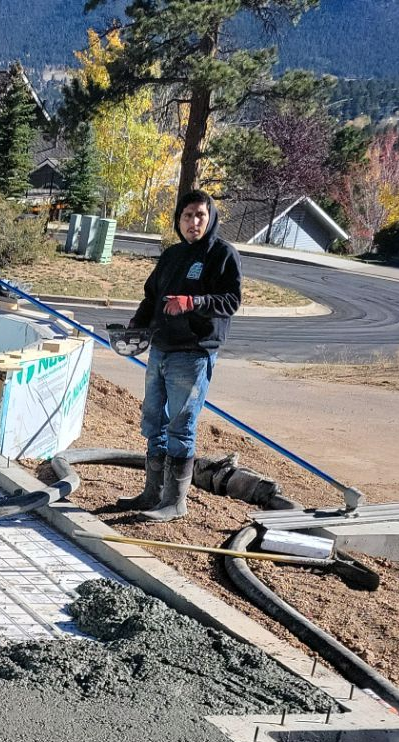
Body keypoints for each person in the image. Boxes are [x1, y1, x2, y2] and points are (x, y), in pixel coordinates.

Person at [121, 188, 242, 521]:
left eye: (200, 215)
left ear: (211, 218)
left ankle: (175, 502)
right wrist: (137, 324)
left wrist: (193, 303)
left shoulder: (222, 255)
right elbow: (151, 297)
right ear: (179, 220)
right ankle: (152, 494)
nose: (193, 222)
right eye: (187, 216)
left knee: (180, 425)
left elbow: (231, 302)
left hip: (192, 353)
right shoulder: (172, 255)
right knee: (153, 421)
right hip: (160, 349)